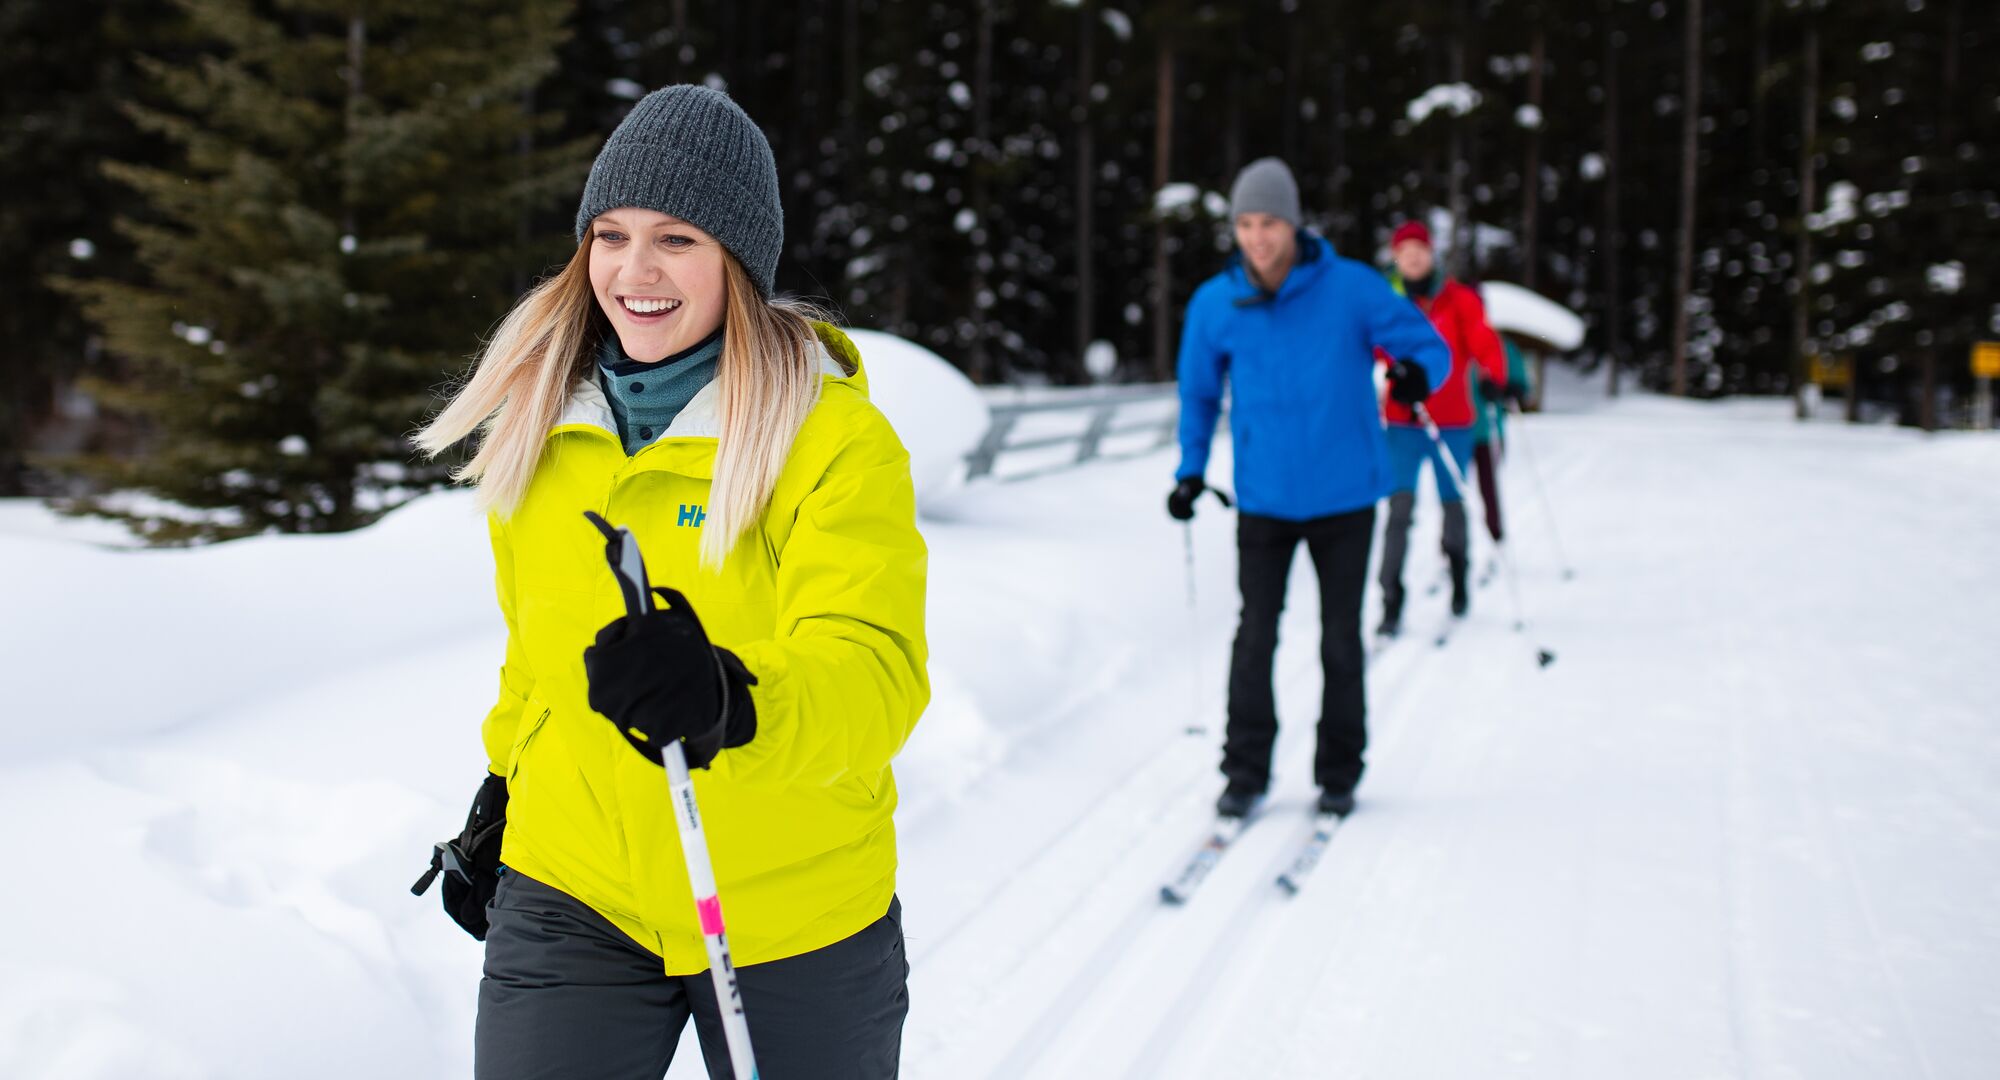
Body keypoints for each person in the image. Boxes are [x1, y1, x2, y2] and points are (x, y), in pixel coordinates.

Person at [413, 85, 927, 1080]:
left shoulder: (833, 442)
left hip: (788, 900)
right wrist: (505, 790)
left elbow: (875, 672)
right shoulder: (544, 424)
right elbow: (536, 659)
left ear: (737, 258)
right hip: (573, 886)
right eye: (609, 234)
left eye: (675, 240)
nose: (633, 271)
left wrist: (731, 698)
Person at [1170, 158, 1451, 821]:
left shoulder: (1350, 289)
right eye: (1245, 224)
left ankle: (1339, 772)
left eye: (1269, 223)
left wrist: (1417, 375)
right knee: (1254, 635)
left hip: (1346, 496)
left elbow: (1427, 345)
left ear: (1293, 224)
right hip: (1264, 499)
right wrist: (1189, 469)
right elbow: (1198, 394)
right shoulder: (1216, 303)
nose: (1257, 238)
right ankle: (1244, 772)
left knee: (1339, 638)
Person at [1375, 220, 1508, 634]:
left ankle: (1459, 580)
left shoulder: (1459, 299)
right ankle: (1391, 597)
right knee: (1399, 509)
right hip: (1403, 422)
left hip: (1453, 422)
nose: (1413, 257)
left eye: (1420, 249)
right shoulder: (1386, 300)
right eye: (1405, 251)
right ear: (1395, 258)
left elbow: (1484, 342)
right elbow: (1373, 344)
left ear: (1431, 255)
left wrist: (1493, 376)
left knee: (1453, 503)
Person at [1469, 334, 1534, 549]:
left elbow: (1518, 378)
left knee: (1488, 485)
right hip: (1456, 429)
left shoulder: (1499, 345)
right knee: (1453, 492)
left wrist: (1512, 388)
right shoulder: (1449, 339)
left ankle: (1495, 533)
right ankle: (1451, 544)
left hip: (1488, 430)